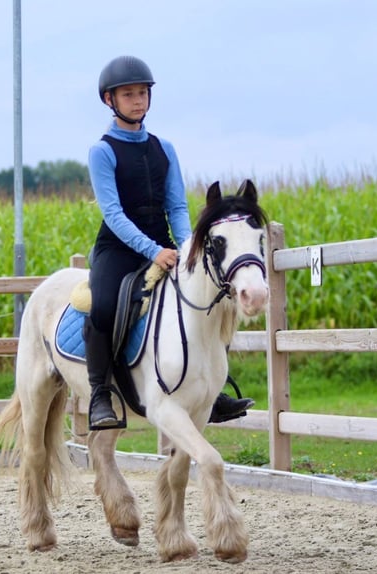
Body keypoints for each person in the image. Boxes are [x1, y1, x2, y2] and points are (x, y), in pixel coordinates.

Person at [85, 55, 255, 430]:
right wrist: (153, 251)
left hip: (166, 243)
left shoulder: (165, 149)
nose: (137, 100)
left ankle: (214, 390)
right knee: (104, 306)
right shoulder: (102, 151)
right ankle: (100, 393)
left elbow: (178, 206)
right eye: (128, 94)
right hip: (118, 248)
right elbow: (113, 214)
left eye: (142, 93)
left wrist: (186, 247)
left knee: (213, 299)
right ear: (109, 100)